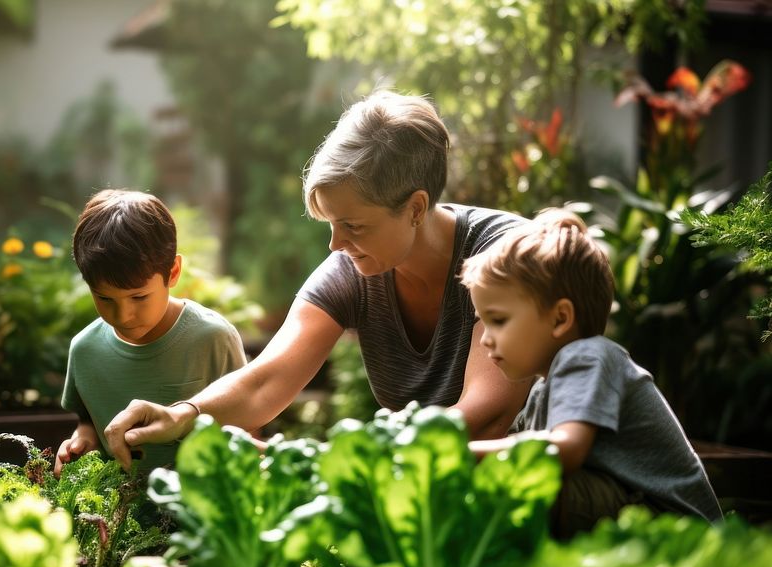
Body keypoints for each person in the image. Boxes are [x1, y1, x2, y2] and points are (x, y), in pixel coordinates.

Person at [99, 90, 533, 469]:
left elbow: (486, 412)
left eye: (354, 226)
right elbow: (265, 382)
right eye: (330, 224)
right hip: (421, 482)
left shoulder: (503, 254)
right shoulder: (355, 269)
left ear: (416, 208)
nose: (335, 245)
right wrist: (182, 414)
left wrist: (340, 460)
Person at [461, 208, 723, 538]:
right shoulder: (544, 389)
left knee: (528, 483)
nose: (485, 339)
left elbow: (567, 450)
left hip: (676, 527)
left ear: (560, 318)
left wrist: (461, 454)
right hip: (636, 513)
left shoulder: (588, 356)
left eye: (498, 321)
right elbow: (512, 447)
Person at [53, 189, 247, 476]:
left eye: (139, 297)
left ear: (173, 272)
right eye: (105, 299)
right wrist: (82, 442)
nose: (123, 315)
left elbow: (247, 424)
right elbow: (88, 421)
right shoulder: (84, 349)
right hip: (120, 512)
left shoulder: (213, 338)